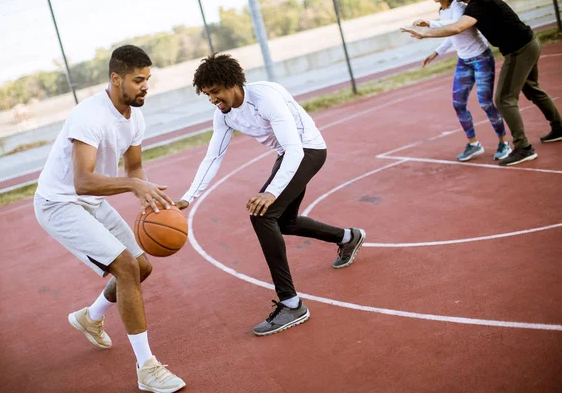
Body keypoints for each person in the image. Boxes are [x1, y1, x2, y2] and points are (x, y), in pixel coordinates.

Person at [175, 53, 366, 336]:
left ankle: (291, 303)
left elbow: (295, 150)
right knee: (285, 222)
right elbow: (213, 157)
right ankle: (348, 237)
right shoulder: (223, 115)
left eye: (215, 92)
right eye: (207, 95)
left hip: (308, 150)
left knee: (262, 214)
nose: (213, 100)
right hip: (287, 154)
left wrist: (271, 193)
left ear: (232, 83)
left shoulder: (265, 99)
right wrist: (189, 197)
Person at [33, 45, 186, 393]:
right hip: (59, 203)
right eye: (137, 80)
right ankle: (147, 369)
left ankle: (91, 317)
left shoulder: (136, 116)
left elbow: (134, 168)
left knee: (141, 266)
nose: (145, 86)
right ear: (115, 78)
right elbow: (82, 180)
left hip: (92, 201)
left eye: (147, 79)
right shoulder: (89, 116)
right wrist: (133, 184)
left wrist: (150, 196)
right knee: (126, 267)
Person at [401, 0, 562, 166]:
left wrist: (425, 32)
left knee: (504, 100)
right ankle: (558, 128)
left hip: (519, 50)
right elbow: (453, 29)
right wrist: (436, 48)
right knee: (531, 89)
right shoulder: (473, 2)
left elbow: (456, 28)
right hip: (526, 44)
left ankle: (523, 148)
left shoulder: (479, 1)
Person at [415, 0, 511, 162]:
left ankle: (504, 142)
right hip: (464, 61)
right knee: (458, 104)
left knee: (485, 103)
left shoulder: (458, 7)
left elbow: (454, 26)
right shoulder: (442, 12)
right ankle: (474, 144)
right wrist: (436, 52)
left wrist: (429, 24)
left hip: (481, 58)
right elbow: (452, 35)